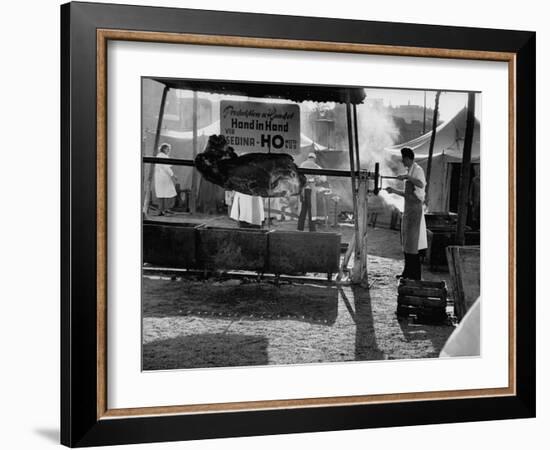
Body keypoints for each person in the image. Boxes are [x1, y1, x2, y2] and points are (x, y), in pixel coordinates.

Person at [386, 147, 427, 280]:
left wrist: (407, 177)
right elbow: (407, 194)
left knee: (413, 244)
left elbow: (421, 184)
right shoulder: (410, 171)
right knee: (406, 243)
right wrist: (393, 191)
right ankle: (407, 272)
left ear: (408, 158)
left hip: (415, 209)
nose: (402, 162)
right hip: (408, 210)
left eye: (403, 159)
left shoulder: (418, 170)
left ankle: (415, 275)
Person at [298, 152, 326, 231]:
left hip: (303, 190)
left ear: (308, 157)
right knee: (312, 209)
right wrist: (317, 181)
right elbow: (318, 179)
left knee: (303, 209)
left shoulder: (302, 164)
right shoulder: (315, 166)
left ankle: (300, 228)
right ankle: (312, 229)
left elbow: (299, 178)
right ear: (314, 158)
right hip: (310, 189)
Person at [154, 143, 177, 216]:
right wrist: (173, 175)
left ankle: (161, 210)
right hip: (164, 177)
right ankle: (165, 210)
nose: (168, 151)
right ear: (163, 149)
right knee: (168, 193)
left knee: (162, 194)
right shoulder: (163, 156)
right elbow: (166, 167)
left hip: (159, 177)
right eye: (167, 149)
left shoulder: (158, 155)